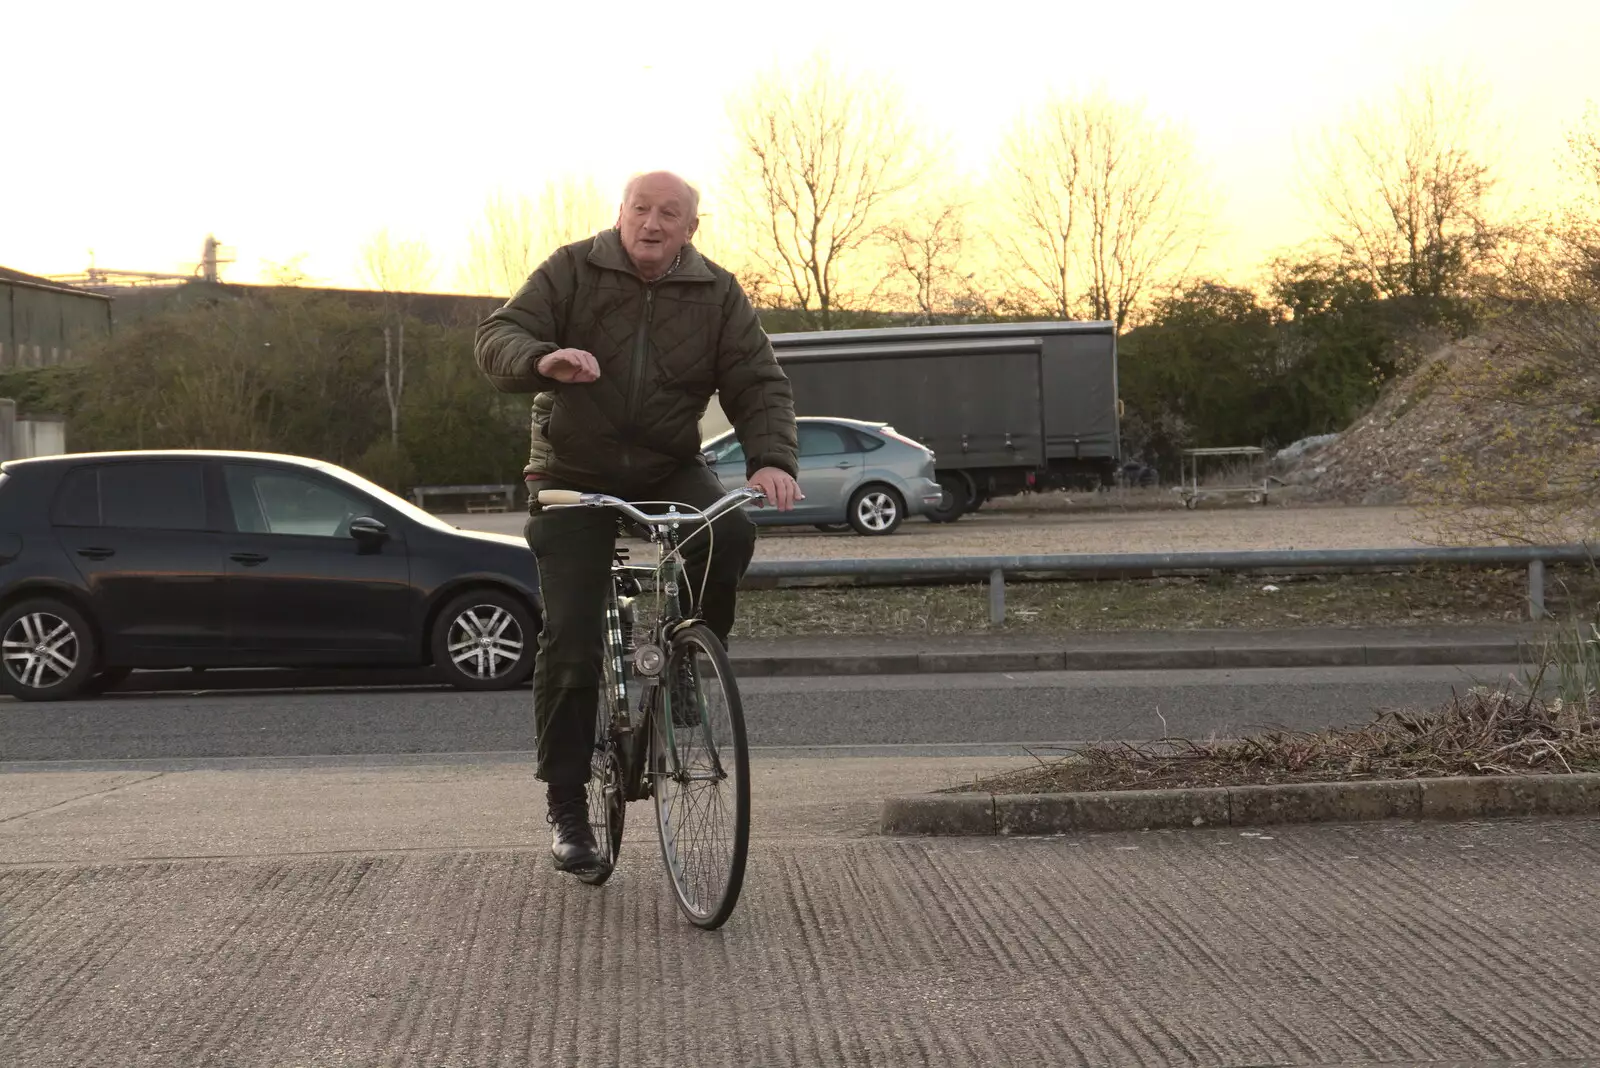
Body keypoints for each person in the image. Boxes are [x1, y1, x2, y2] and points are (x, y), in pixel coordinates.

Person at [474, 171, 801, 874]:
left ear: (691, 227)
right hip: (571, 473)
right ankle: (567, 805)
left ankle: (687, 653)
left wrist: (771, 459)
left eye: (670, 214)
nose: (652, 223)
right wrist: (542, 358)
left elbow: (756, 378)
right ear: (620, 214)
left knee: (729, 531)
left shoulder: (716, 292)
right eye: (641, 210)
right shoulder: (572, 269)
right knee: (570, 634)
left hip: (663, 465)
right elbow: (499, 334)